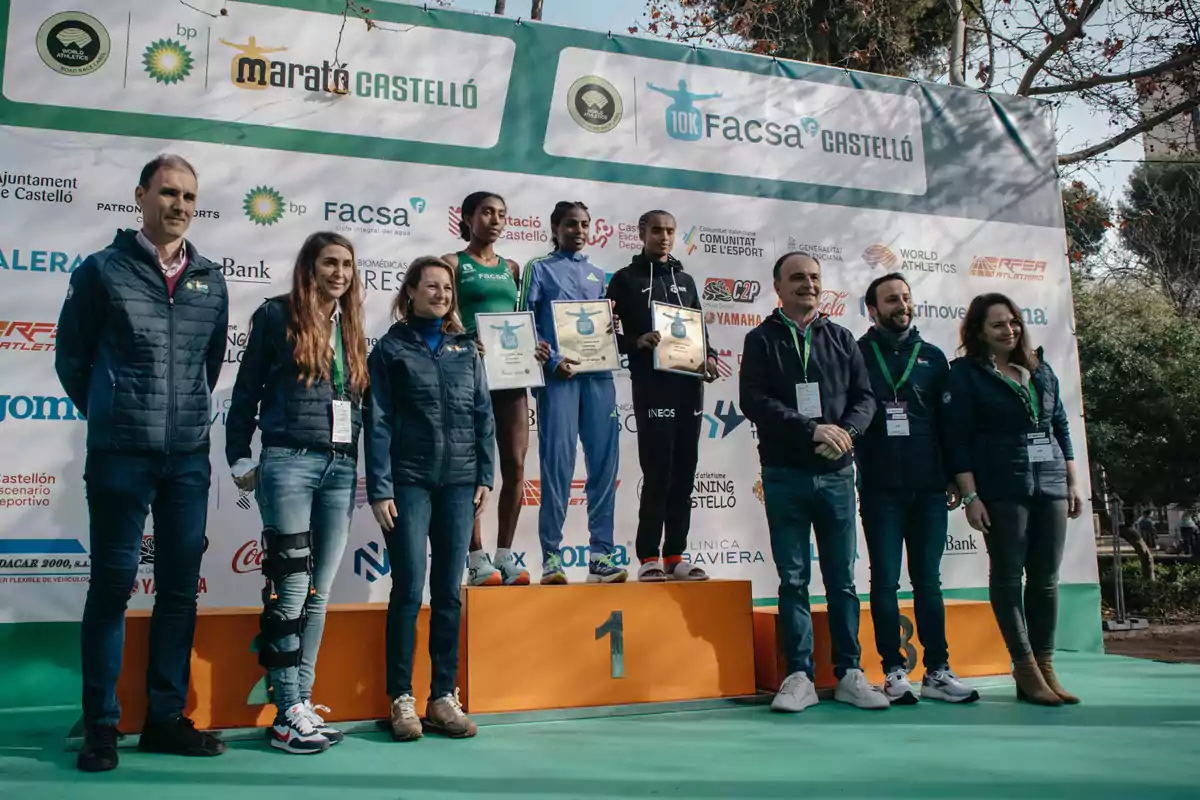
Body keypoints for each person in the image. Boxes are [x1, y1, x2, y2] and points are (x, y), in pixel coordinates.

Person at [55, 155, 229, 772]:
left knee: (180, 592)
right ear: (141, 196)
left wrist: (175, 416)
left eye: (189, 196)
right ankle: (103, 725)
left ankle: (163, 719)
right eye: (168, 193)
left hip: (187, 457)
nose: (180, 205)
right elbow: (72, 360)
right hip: (120, 454)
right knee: (111, 588)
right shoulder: (102, 270)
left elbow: (208, 366)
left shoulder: (211, 278)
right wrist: (113, 410)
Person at [225, 232, 369, 753]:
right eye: (330, 263)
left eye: (348, 265)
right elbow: (246, 389)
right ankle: (286, 712)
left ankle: (302, 702)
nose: (340, 273)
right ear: (309, 267)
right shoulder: (275, 315)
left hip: (340, 468)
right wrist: (239, 453)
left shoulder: (350, 326)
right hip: (288, 462)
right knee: (290, 588)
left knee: (320, 592)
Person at [740, 252, 885, 713]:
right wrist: (811, 429)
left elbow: (866, 399)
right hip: (784, 475)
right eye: (798, 277)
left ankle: (850, 673)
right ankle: (799, 675)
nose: (808, 284)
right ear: (778, 287)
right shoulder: (761, 339)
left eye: (815, 278)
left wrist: (845, 435)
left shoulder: (842, 338)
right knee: (794, 579)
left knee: (842, 581)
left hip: (838, 475)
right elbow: (753, 400)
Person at [365, 256, 495, 741]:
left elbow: (483, 413)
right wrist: (380, 485)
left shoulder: (466, 348)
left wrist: (485, 472)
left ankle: (443, 696)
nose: (440, 294)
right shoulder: (390, 349)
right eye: (431, 287)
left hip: (460, 483)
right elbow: (376, 420)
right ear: (411, 293)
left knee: (447, 592)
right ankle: (401, 698)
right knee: (408, 588)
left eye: (446, 288)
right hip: (408, 482)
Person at [943, 293, 1083, 707]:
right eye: (998, 325)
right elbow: (957, 440)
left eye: (1013, 322)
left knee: (1045, 580)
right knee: (1008, 577)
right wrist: (970, 495)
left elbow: (1060, 426)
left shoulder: (1040, 369)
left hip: (1052, 483)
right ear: (979, 332)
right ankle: (1023, 666)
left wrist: (1073, 482)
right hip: (1002, 487)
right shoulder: (965, 375)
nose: (1009, 330)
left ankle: (1045, 665)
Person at [856, 273, 979, 705]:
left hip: (929, 488)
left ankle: (938, 671)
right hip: (879, 488)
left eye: (906, 298)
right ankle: (893, 671)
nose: (901, 305)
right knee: (885, 582)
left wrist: (952, 477)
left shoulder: (933, 357)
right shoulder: (857, 353)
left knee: (929, 582)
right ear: (872, 309)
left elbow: (949, 426)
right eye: (891, 300)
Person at [441, 192, 548, 587]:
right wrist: (465, 337)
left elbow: (522, 319)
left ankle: (505, 554)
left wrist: (535, 344)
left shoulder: (513, 267)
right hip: (469, 378)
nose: (496, 220)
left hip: (511, 377)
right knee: (471, 469)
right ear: (468, 217)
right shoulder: (452, 263)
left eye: (502, 214)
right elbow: (438, 317)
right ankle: (475, 557)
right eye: (487, 212)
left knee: (516, 465)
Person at [606, 209, 718, 581]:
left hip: (689, 386)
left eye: (670, 231)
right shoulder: (625, 279)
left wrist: (710, 358)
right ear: (641, 233)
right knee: (658, 472)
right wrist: (635, 342)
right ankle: (648, 556)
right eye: (657, 231)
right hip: (652, 386)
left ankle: (675, 554)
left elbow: (698, 327)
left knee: (685, 473)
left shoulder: (685, 278)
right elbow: (601, 333)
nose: (664, 237)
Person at [520, 201, 627, 584]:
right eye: (570, 224)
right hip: (560, 380)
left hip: (598, 377)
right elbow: (523, 325)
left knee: (603, 466)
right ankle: (552, 557)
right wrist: (550, 364)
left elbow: (600, 331)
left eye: (584, 224)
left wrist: (611, 328)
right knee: (558, 467)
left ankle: (601, 555)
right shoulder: (539, 268)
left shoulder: (599, 274)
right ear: (554, 226)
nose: (579, 230)